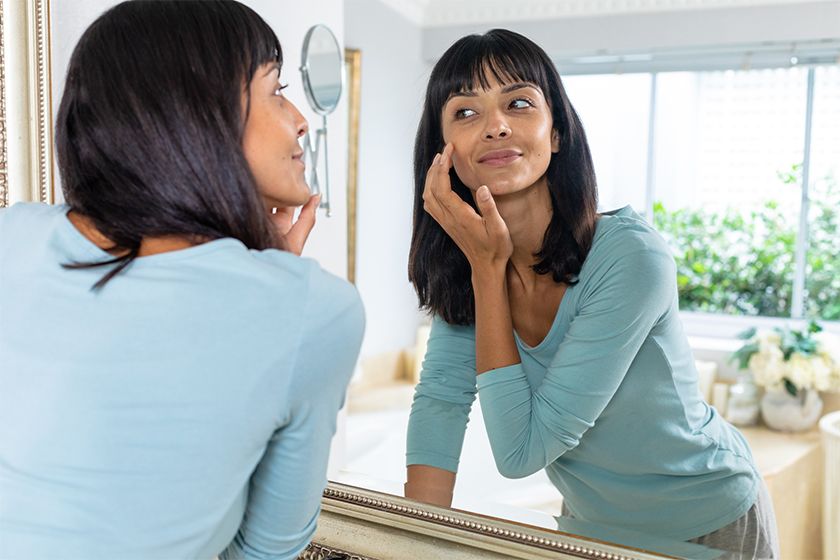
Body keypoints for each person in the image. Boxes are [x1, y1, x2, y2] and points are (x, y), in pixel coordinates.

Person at [0, 2, 363, 559]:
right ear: (196, 111)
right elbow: (263, 553)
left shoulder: (11, 238)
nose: (299, 118)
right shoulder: (316, 311)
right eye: (275, 88)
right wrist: (277, 286)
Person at [404, 29, 779, 559]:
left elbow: (520, 452)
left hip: (707, 519)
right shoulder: (467, 263)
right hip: (590, 523)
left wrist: (488, 272)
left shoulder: (630, 257)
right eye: (466, 112)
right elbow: (442, 398)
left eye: (518, 103)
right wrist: (407, 538)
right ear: (442, 154)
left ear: (556, 132)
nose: (496, 126)